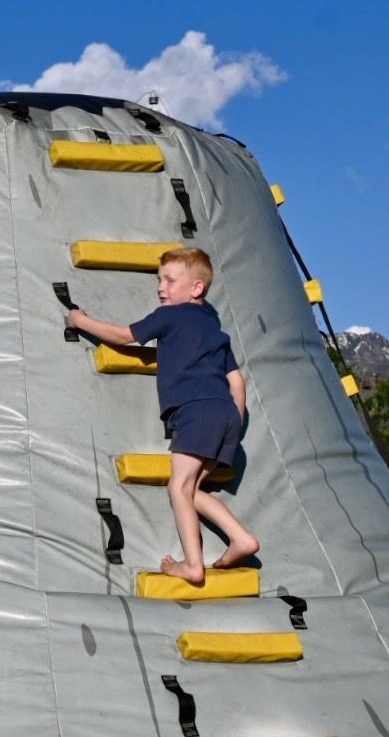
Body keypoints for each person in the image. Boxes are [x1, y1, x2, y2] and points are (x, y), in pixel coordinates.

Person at [67, 247, 260, 585]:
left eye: (170, 280)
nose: (161, 288)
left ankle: (193, 565)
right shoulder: (215, 331)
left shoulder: (170, 315)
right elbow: (237, 381)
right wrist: (235, 425)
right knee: (194, 489)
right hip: (226, 415)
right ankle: (241, 539)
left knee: (178, 486)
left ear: (196, 288)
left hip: (195, 410)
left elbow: (126, 336)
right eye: (160, 280)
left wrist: (80, 321)